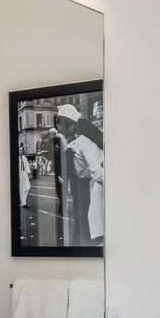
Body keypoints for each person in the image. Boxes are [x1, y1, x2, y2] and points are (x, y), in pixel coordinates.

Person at [55, 102, 106, 244]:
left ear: (70, 125)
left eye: (60, 123)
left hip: (95, 188)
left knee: (92, 229)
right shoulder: (73, 143)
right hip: (85, 187)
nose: (58, 127)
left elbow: (96, 172)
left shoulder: (83, 143)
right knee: (83, 225)